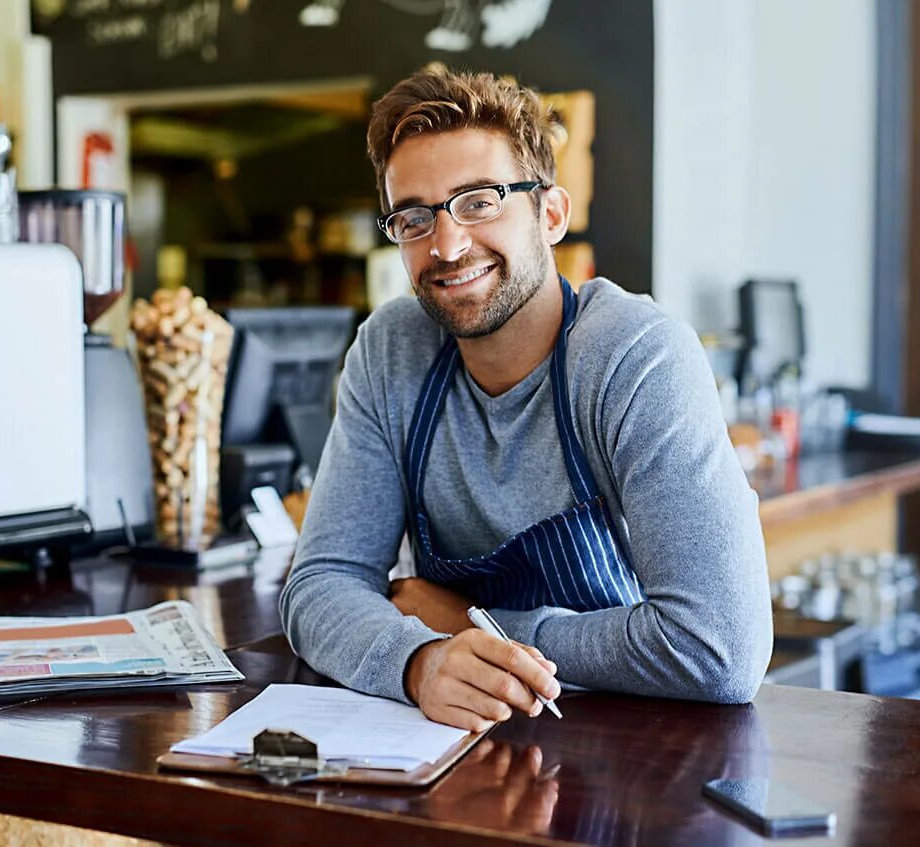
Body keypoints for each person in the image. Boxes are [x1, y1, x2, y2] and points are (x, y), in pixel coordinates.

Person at [280, 66, 772, 732]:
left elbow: (719, 649)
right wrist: (420, 661)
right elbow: (318, 585)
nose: (447, 244)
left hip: (639, 756)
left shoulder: (636, 355)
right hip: (455, 746)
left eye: (479, 201)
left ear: (550, 214)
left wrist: (472, 625)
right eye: (415, 217)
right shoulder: (391, 349)